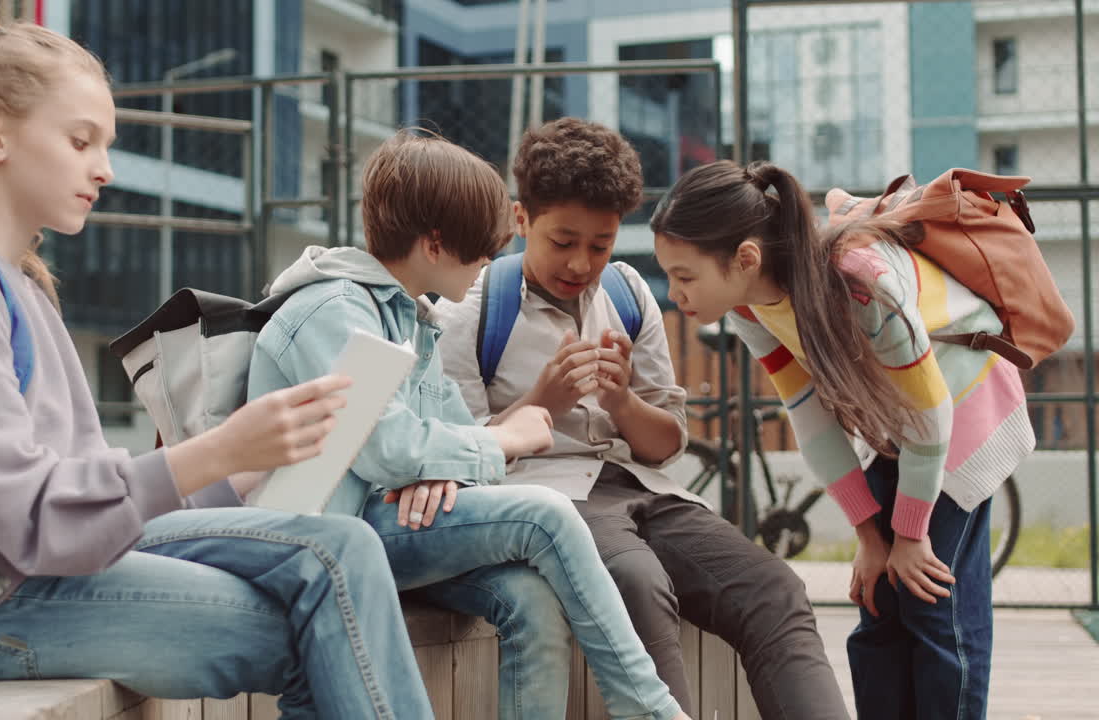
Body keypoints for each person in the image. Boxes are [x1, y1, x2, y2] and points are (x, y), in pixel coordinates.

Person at [0, 4, 436, 717]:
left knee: (343, 547)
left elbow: (78, 498)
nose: (103, 169)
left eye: (105, 145)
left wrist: (243, 470)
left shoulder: (19, 282)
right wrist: (218, 450)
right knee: (325, 612)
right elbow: (33, 518)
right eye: (80, 141)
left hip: (32, 567)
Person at [247, 129, 689, 720]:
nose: (489, 266)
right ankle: (652, 709)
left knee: (531, 599)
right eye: (482, 251)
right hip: (326, 537)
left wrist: (443, 468)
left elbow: (446, 441)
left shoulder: (409, 319)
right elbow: (388, 449)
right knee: (547, 513)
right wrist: (495, 441)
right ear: (435, 245)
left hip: (390, 524)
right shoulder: (335, 310)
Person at [434, 117, 849, 720]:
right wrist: (544, 402)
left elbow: (666, 445)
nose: (581, 262)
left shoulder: (627, 294)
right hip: (547, 499)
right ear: (521, 220)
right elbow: (464, 459)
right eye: (562, 241)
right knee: (638, 580)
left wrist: (622, 403)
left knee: (773, 588)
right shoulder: (473, 309)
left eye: (600, 245)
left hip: (645, 489)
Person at [650, 159, 1035, 720]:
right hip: (896, 424)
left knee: (934, 609)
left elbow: (932, 412)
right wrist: (868, 535)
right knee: (879, 599)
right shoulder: (749, 306)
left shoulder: (861, 284)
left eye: (685, 276)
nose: (674, 293)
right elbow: (808, 415)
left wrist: (909, 534)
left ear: (746, 258)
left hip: (963, 411)